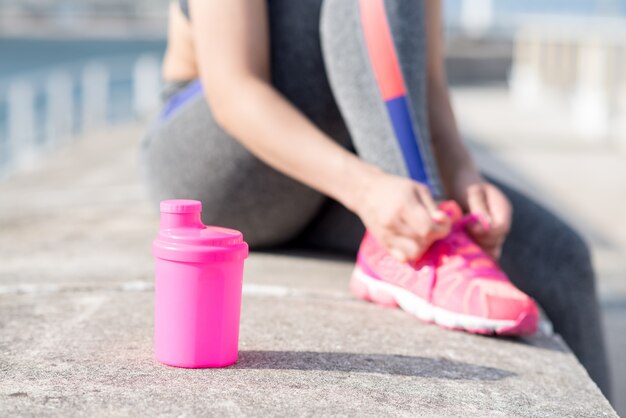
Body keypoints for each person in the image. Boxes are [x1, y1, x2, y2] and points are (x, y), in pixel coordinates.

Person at [140, 0, 610, 397]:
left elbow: (421, 80)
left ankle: (414, 240)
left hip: (336, 167)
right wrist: (367, 190)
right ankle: (418, 250)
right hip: (220, 163)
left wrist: (461, 173)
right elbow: (234, 89)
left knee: (560, 258)